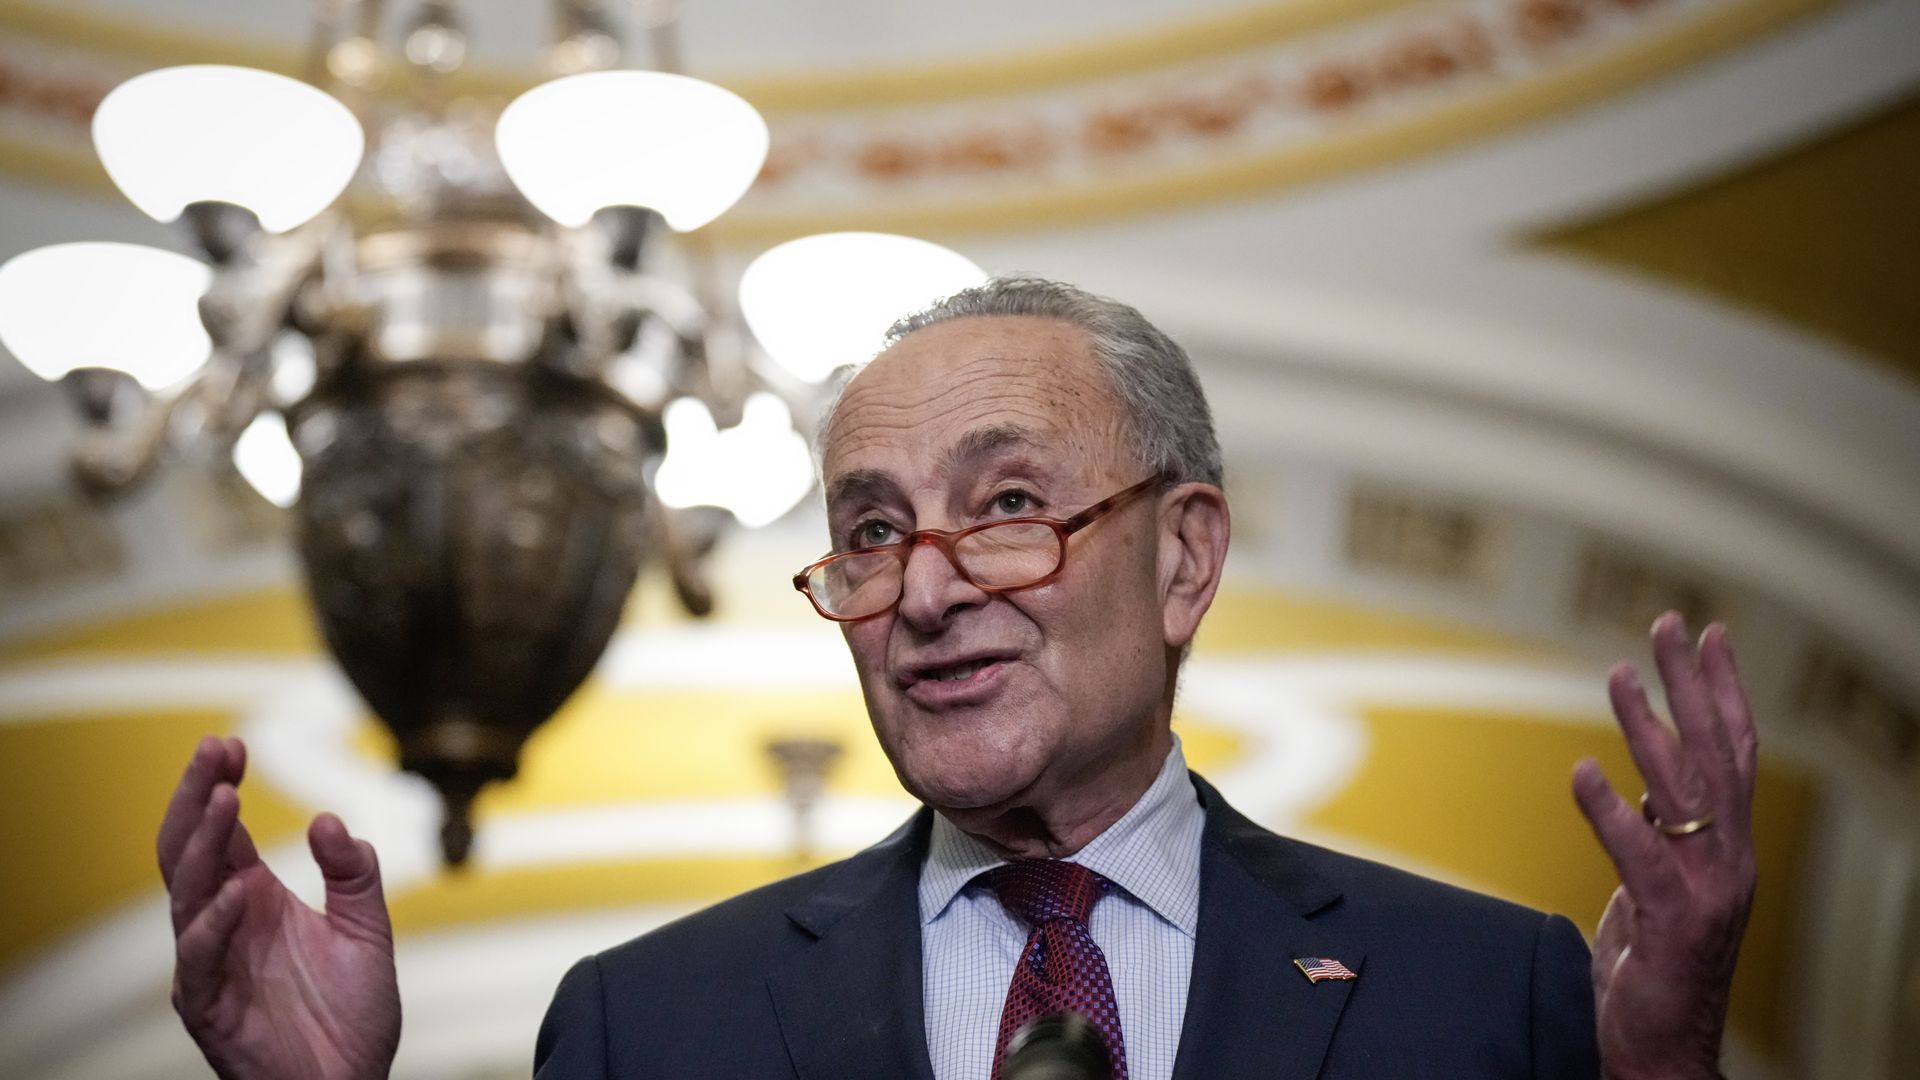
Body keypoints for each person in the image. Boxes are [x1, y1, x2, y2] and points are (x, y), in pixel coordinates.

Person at [157, 278, 1757, 1079]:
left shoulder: (1487, 996)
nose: (924, 591)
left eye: (1005, 506)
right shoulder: (650, 1028)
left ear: (1185, 558)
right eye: (870, 531)